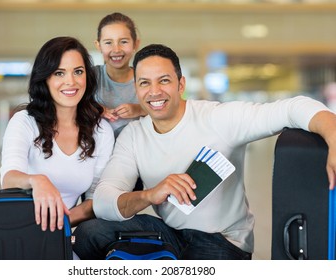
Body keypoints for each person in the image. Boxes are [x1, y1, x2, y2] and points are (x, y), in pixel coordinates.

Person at [73, 43, 336, 260]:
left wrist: (334, 137)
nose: (154, 91)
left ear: (180, 84)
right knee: (91, 232)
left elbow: (294, 108)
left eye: (163, 80)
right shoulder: (134, 134)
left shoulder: (217, 118)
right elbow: (106, 199)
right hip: (173, 233)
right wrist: (150, 195)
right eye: (144, 83)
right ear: (137, 89)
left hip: (222, 240)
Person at [0, 36, 114, 235]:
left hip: (63, 231)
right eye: (59, 73)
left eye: (78, 72)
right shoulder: (24, 122)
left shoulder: (101, 131)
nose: (70, 82)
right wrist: (38, 180)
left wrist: (58, 225)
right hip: (17, 230)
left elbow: (95, 201)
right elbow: (9, 179)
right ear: (45, 78)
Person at [94, 12, 146, 138]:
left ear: (136, 44)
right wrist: (96, 109)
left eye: (123, 41)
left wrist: (139, 109)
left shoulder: (146, 79)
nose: (116, 49)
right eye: (108, 43)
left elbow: (169, 108)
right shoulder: (91, 76)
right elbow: (69, 105)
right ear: (98, 45)